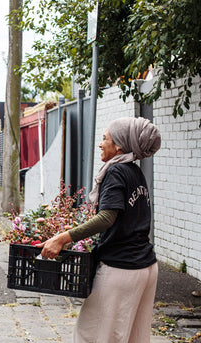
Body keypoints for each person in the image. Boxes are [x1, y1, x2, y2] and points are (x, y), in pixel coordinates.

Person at [39, 116, 161, 343]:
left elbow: (106, 218)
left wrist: (62, 238)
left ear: (119, 146)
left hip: (121, 268)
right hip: (146, 268)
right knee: (133, 337)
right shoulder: (136, 172)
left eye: (105, 138)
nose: (100, 143)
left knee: (93, 336)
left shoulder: (115, 172)